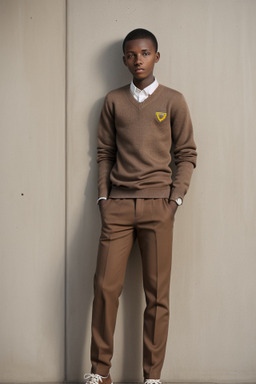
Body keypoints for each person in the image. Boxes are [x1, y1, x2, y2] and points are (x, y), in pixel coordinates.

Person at [84, 28, 197, 384]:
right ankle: (100, 373)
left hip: (158, 208)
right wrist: (104, 197)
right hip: (117, 207)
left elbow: (187, 154)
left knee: (157, 296)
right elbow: (104, 153)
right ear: (124, 60)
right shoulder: (113, 101)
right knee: (104, 289)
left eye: (145, 53)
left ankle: (152, 377)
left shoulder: (173, 101)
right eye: (132, 55)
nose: (138, 60)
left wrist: (174, 200)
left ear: (156, 57)